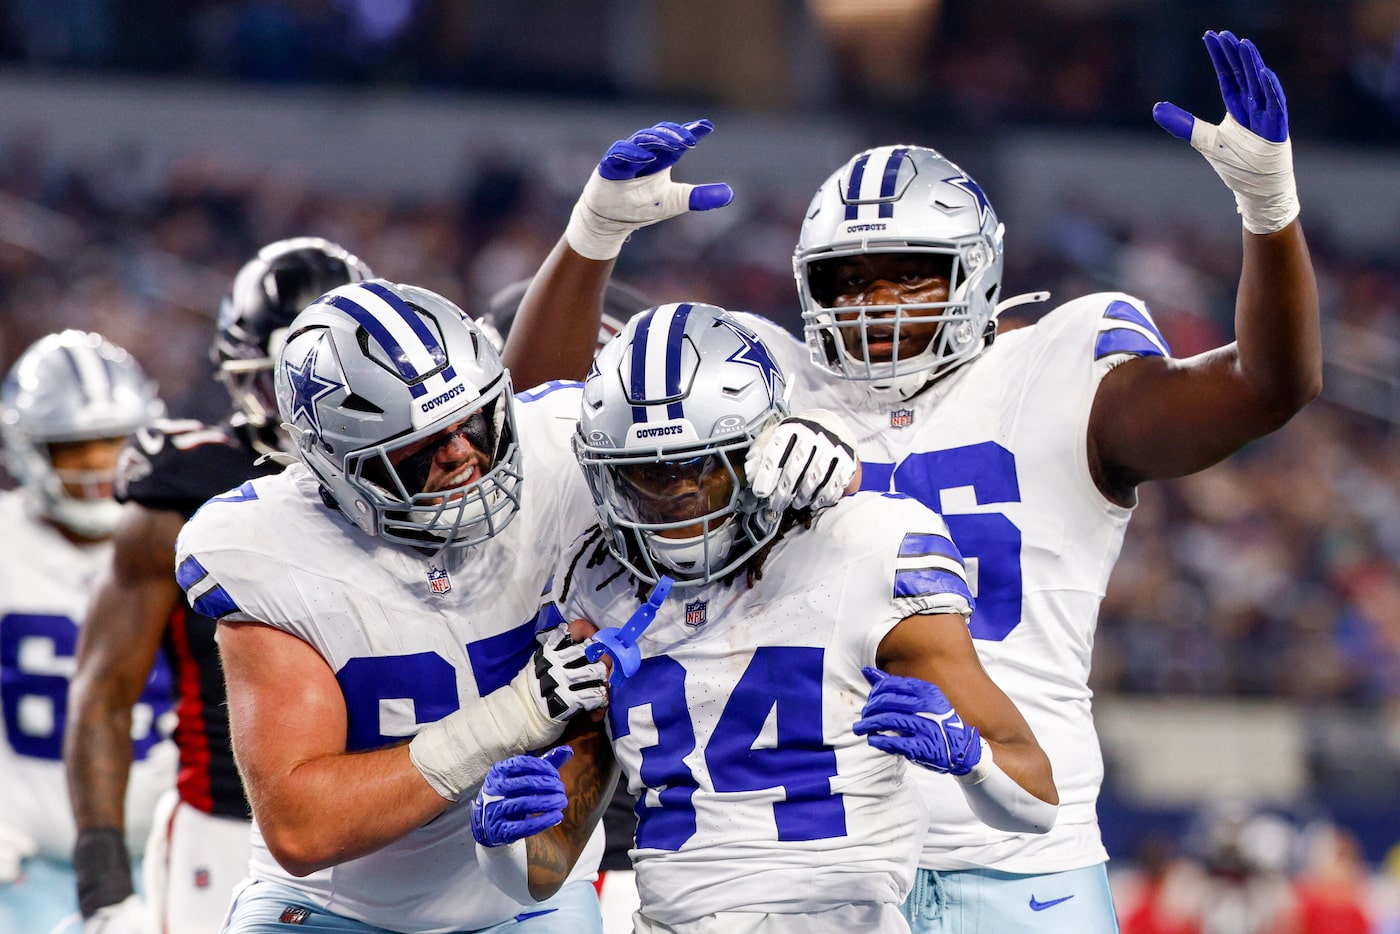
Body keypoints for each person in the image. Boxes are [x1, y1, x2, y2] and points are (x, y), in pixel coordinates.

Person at [526, 30, 1322, 934]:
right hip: (817, 867)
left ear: (976, 273)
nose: (877, 304)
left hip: (1021, 859)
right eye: (849, 279)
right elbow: (554, 421)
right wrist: (593, 235)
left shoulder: (1059, 367)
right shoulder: (759, 379)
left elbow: (1268, 387)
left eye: (911, 275)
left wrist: (1267, 206)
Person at [469, 302, 1060, 934]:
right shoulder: (601, 585)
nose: (673, 498)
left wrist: (969, 757)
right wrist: (502, 841)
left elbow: (1038, 801)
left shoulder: (868, 546)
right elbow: (542, 870)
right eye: (643, 474)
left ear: (761, 449)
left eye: (697, 467)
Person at [64, 238, 373, 933]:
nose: (305, 414)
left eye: (328, 383)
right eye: (282, 383)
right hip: (227, 828)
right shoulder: (183, 491)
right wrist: (104, 883)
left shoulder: (419, 479)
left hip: (386, 821)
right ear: (240, 378)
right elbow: (104, 691)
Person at [0, 331, 171, 934]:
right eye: (75, 447)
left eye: (114, 441)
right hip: (24, 865)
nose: (100, 464)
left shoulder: (190, 534)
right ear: (29, 448)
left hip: (170, 853)